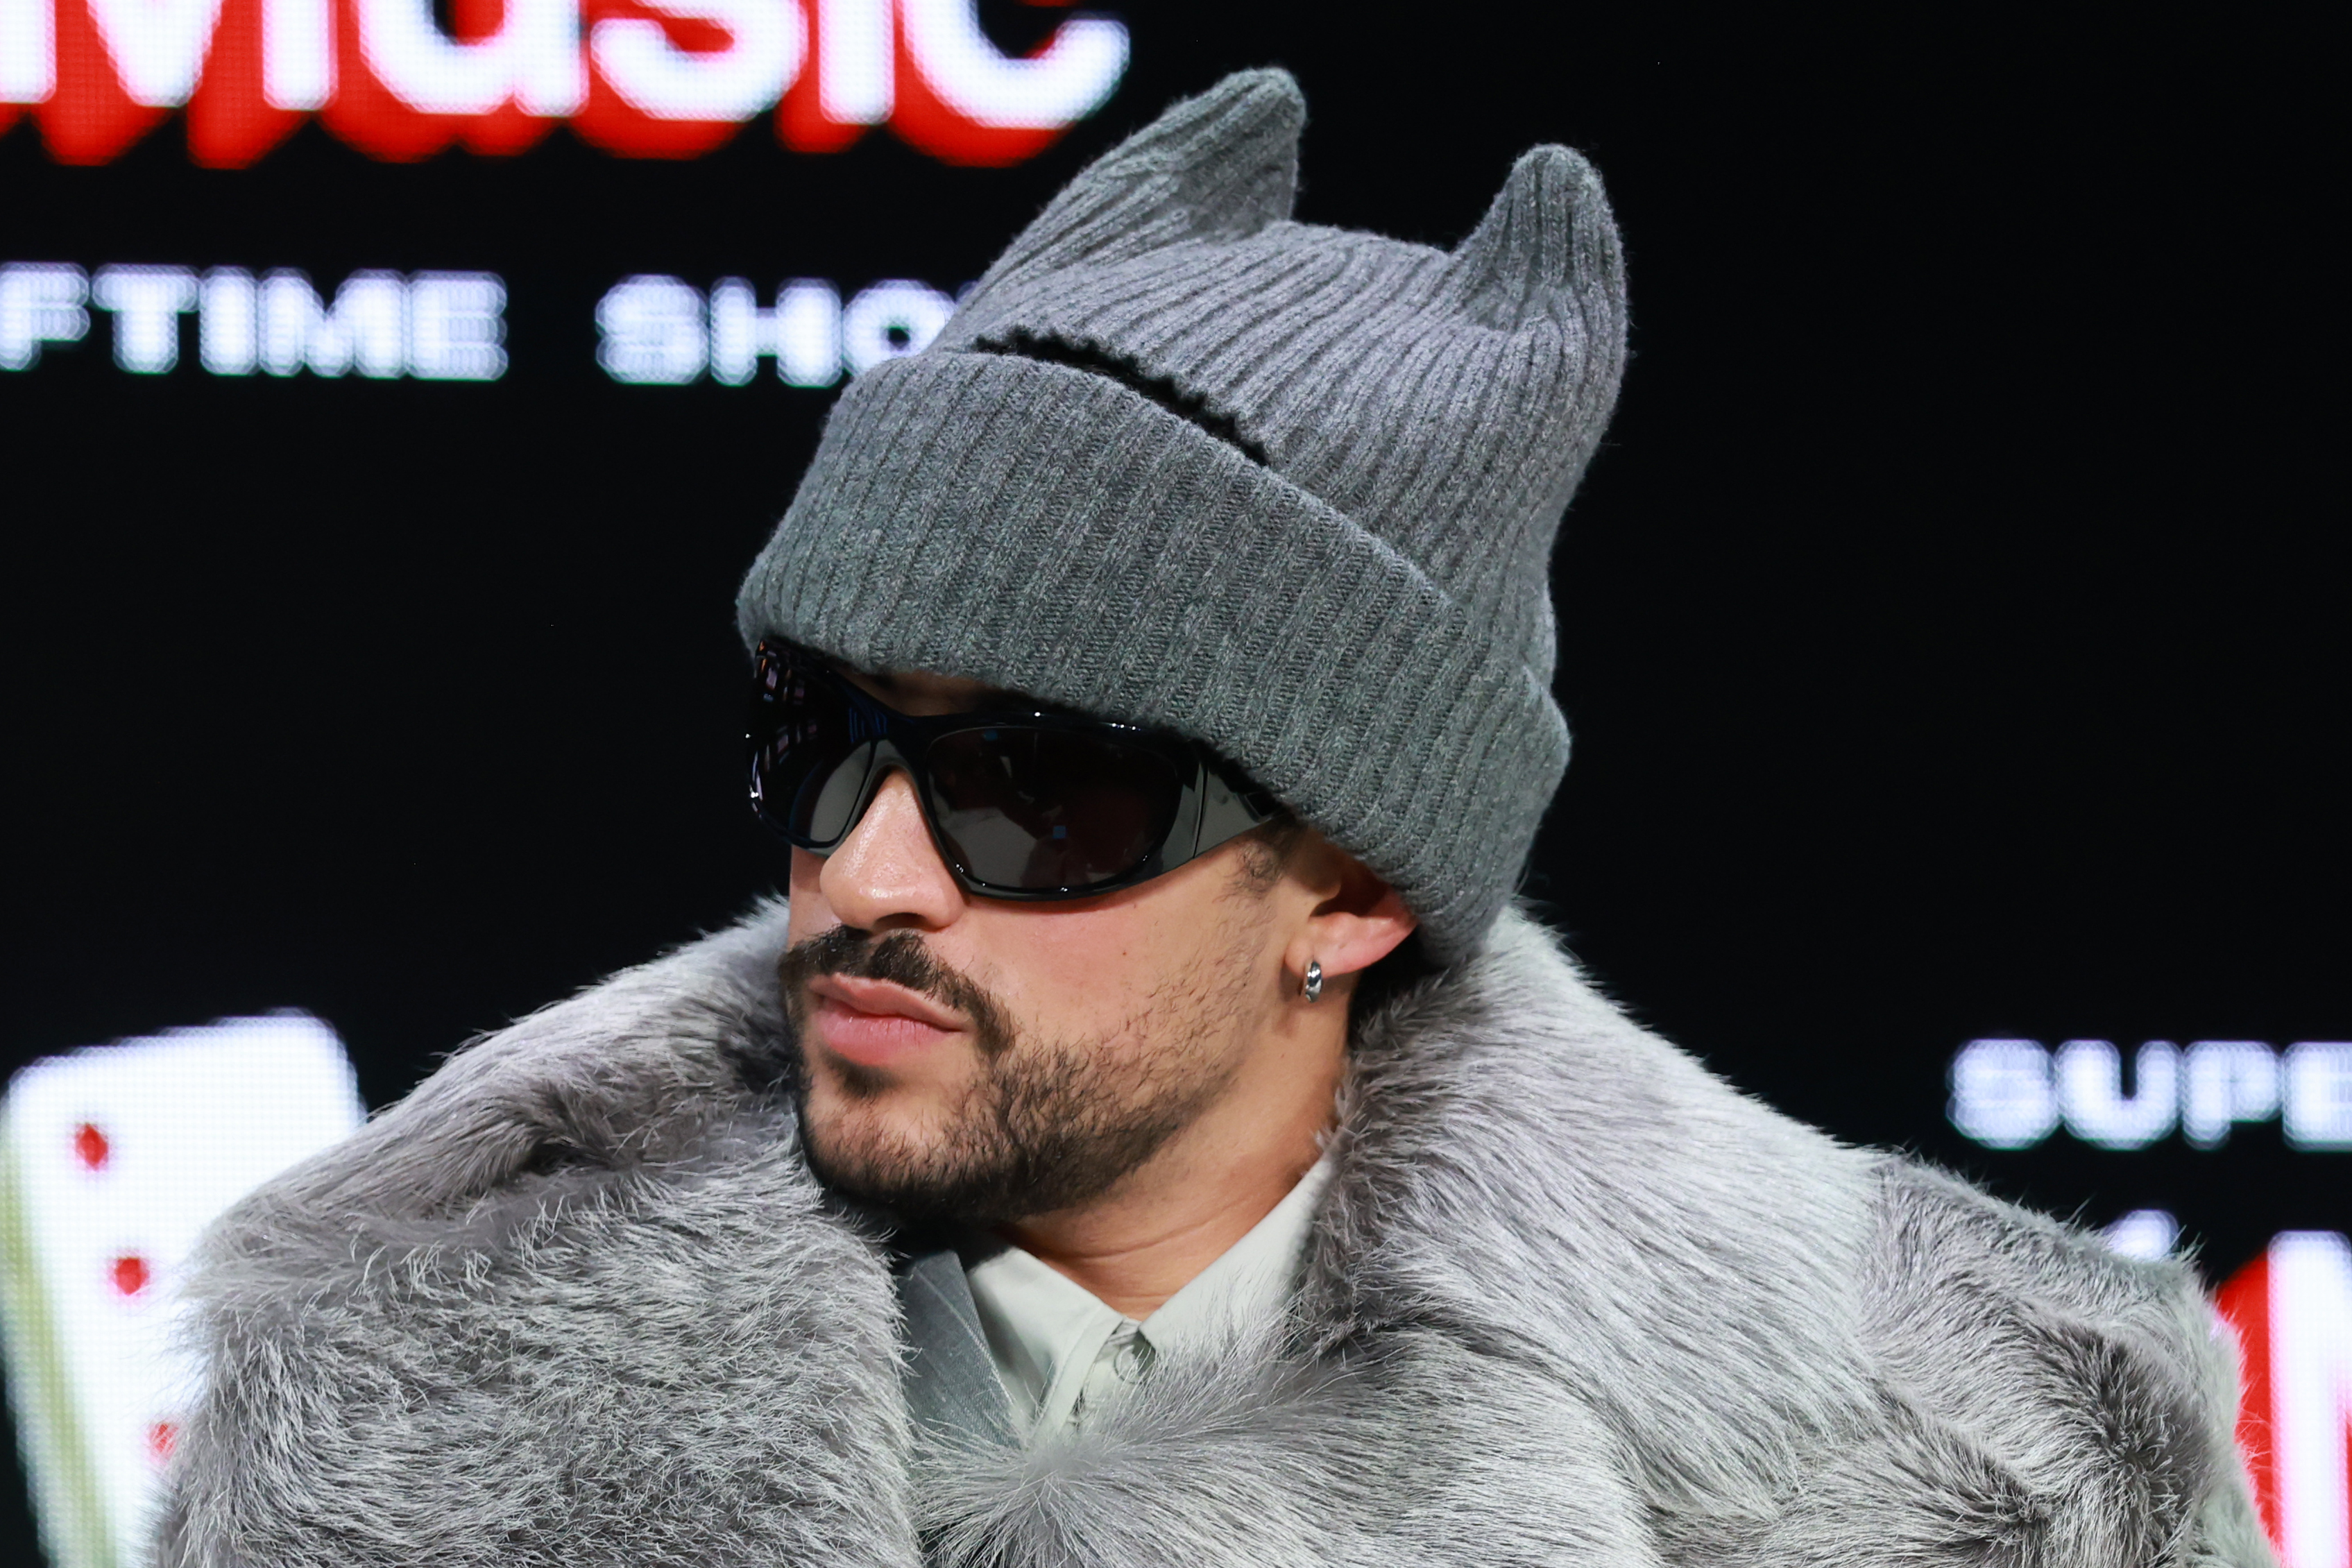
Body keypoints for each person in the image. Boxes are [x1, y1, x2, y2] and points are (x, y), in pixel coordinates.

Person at [158, 70, 2272, 1568]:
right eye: (825, 739)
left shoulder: (1999, 1464)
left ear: (1347, 884)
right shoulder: (393, 1388)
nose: (869, 877)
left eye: (1039, 793)